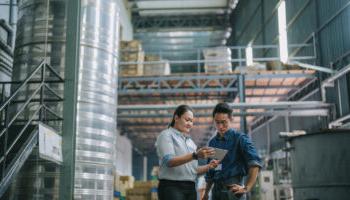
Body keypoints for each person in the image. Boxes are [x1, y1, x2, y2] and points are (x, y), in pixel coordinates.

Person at [155, 105, 219, 200]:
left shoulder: (190, 143)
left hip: (190, 187)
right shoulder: (166, 135)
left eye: (192, 121)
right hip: (172, 187)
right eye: (187, 120)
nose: (190, 123)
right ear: (176, 118)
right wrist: (195, 155)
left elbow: (193, 170)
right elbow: (169, 161)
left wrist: (209, 166)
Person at [203, 102, 262, 200]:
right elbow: (211, 172)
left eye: (224, 122)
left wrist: (246, 188)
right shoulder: (213, 143)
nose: (220, 126)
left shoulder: (240, 139)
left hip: (233, 191)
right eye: (217, 122)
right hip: (216, 193)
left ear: (231, 119)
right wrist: (206, 194)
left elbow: (255, 164)